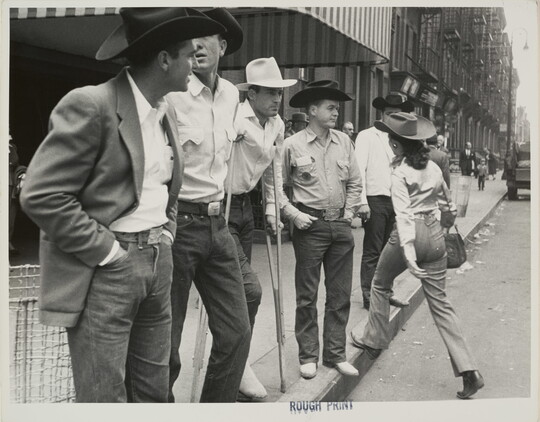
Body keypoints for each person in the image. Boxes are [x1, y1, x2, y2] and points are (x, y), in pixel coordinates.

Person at [19, 8, 224, 402]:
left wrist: (166, 233)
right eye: (187, 55)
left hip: (158, 260)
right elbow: (41, 194)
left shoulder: (162, 111)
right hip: (109, 267)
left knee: (153, 389)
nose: (194, 64)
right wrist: (109, 252)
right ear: (164, 59)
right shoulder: (90, 104)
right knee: (104, 395)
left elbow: (164, 186)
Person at [351, 112, 484, 400]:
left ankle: (374, 341)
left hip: (409, 234)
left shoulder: (399, 173)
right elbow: (449, 207)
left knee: (380, 281)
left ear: (398, 147)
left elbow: (403, 216)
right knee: (441, 305)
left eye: (390, 141)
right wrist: (442, 230)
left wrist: (409, 255)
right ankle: (469, 370)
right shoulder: (435, 169)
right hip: (436, 234)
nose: (389, 145)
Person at [165, 8, 252, 403]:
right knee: (166, 344)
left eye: (205, 39)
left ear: (223, 46)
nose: (196, 46)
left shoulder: (233, 94)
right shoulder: (171, 92)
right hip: (178, 225)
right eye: (190, 39)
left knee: (237, 333)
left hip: (220, 228)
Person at [226, 56, 297, 400]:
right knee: (249, 291)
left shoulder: (277, 125)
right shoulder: (234, 118)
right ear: (251, 93)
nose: (276, 99)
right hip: (220, 207)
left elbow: (274, 171)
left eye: (279, 93)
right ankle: (235, 361)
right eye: (269, 93)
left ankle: (236, 360)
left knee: (240, 293)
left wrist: (272, 206)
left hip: (245, 210)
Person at [282, 80, 362, 379]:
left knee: (340, 294)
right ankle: (309, 355)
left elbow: (355, 182)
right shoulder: (292, 145)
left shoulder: (344, 142)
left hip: (340, 225)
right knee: (307, 295)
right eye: (330, 108)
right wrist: (292, 214)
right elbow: (276, 187)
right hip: (310, 225)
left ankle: (335, 354)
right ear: (312, 110)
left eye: (337, 109)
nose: (336, 113)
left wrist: (350, 212)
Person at [355, 93, 413, 310]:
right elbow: (359, 169)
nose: (393, 118)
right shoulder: (367, 136)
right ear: (381, 114)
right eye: (389, 114)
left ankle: (385, 292)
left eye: (397, 115)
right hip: (375, 199)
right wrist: (361, 202)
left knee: (390, 252)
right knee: (373, 249)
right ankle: (369, 294)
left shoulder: (402, 139)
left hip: (396, 201)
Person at [9, 134, 26, 256]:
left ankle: (7, 242)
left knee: (10, 216)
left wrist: (9, 147)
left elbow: (14, 161)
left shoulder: (11, 147)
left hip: (9, 184)